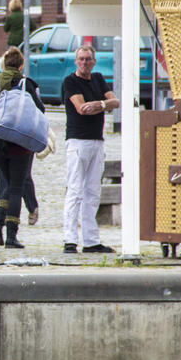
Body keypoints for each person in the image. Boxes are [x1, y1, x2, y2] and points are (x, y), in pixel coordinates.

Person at [0, 46, 45, 249]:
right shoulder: (25, 84)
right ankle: (11, 236)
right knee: (15, 187)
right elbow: (40, 110)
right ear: (21, 65)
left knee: (8, 185)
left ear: (3, 65)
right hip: (20, 144)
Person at [61, 44, 119, 254]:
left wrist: (100, 105)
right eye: (81, 59)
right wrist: (103, 104)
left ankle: (91, 241)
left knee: (93, 191)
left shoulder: (98, 78)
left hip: (97, 140)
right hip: (78, 142)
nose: (85, 62)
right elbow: (81, 108)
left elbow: (115, 102)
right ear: (76, 61)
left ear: (94, 61)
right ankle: (69, 240)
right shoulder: (70, 81)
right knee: (75, 190)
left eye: (88, 59)